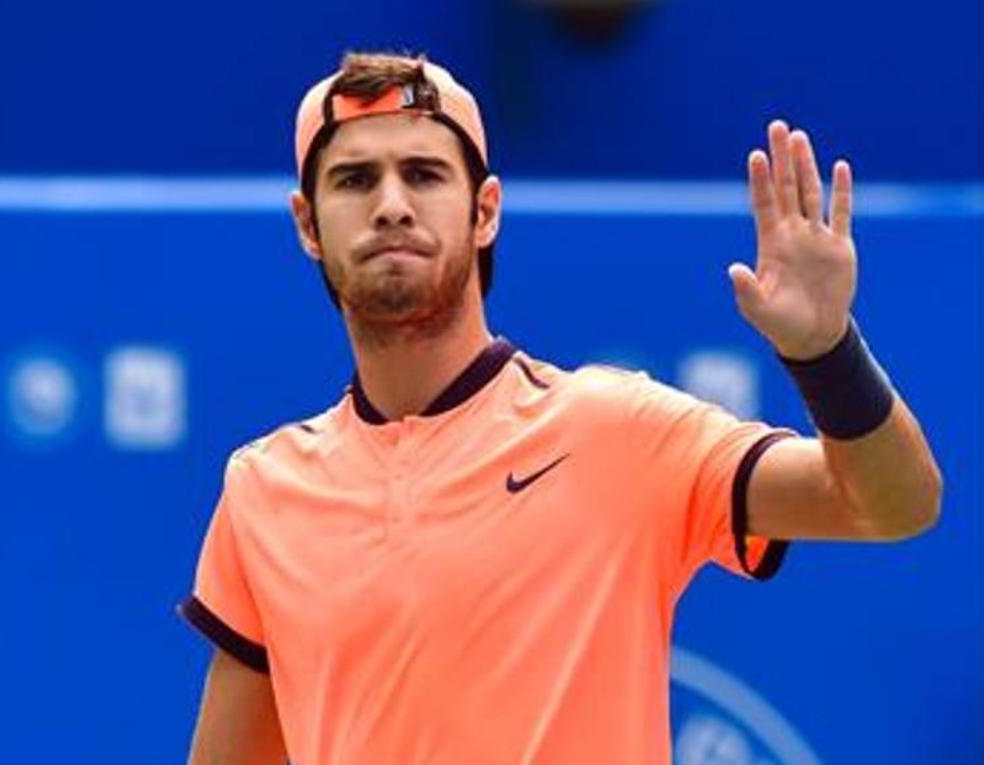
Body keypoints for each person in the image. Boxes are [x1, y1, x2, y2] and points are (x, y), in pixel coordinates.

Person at [177, 51, 942, 764]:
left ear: (485, 211)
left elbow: (892, 504)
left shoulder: (615, 430)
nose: (391, 205)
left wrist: (826, 352)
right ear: (308, 224)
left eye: (423, 174)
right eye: (353, 181)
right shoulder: (263, 489)